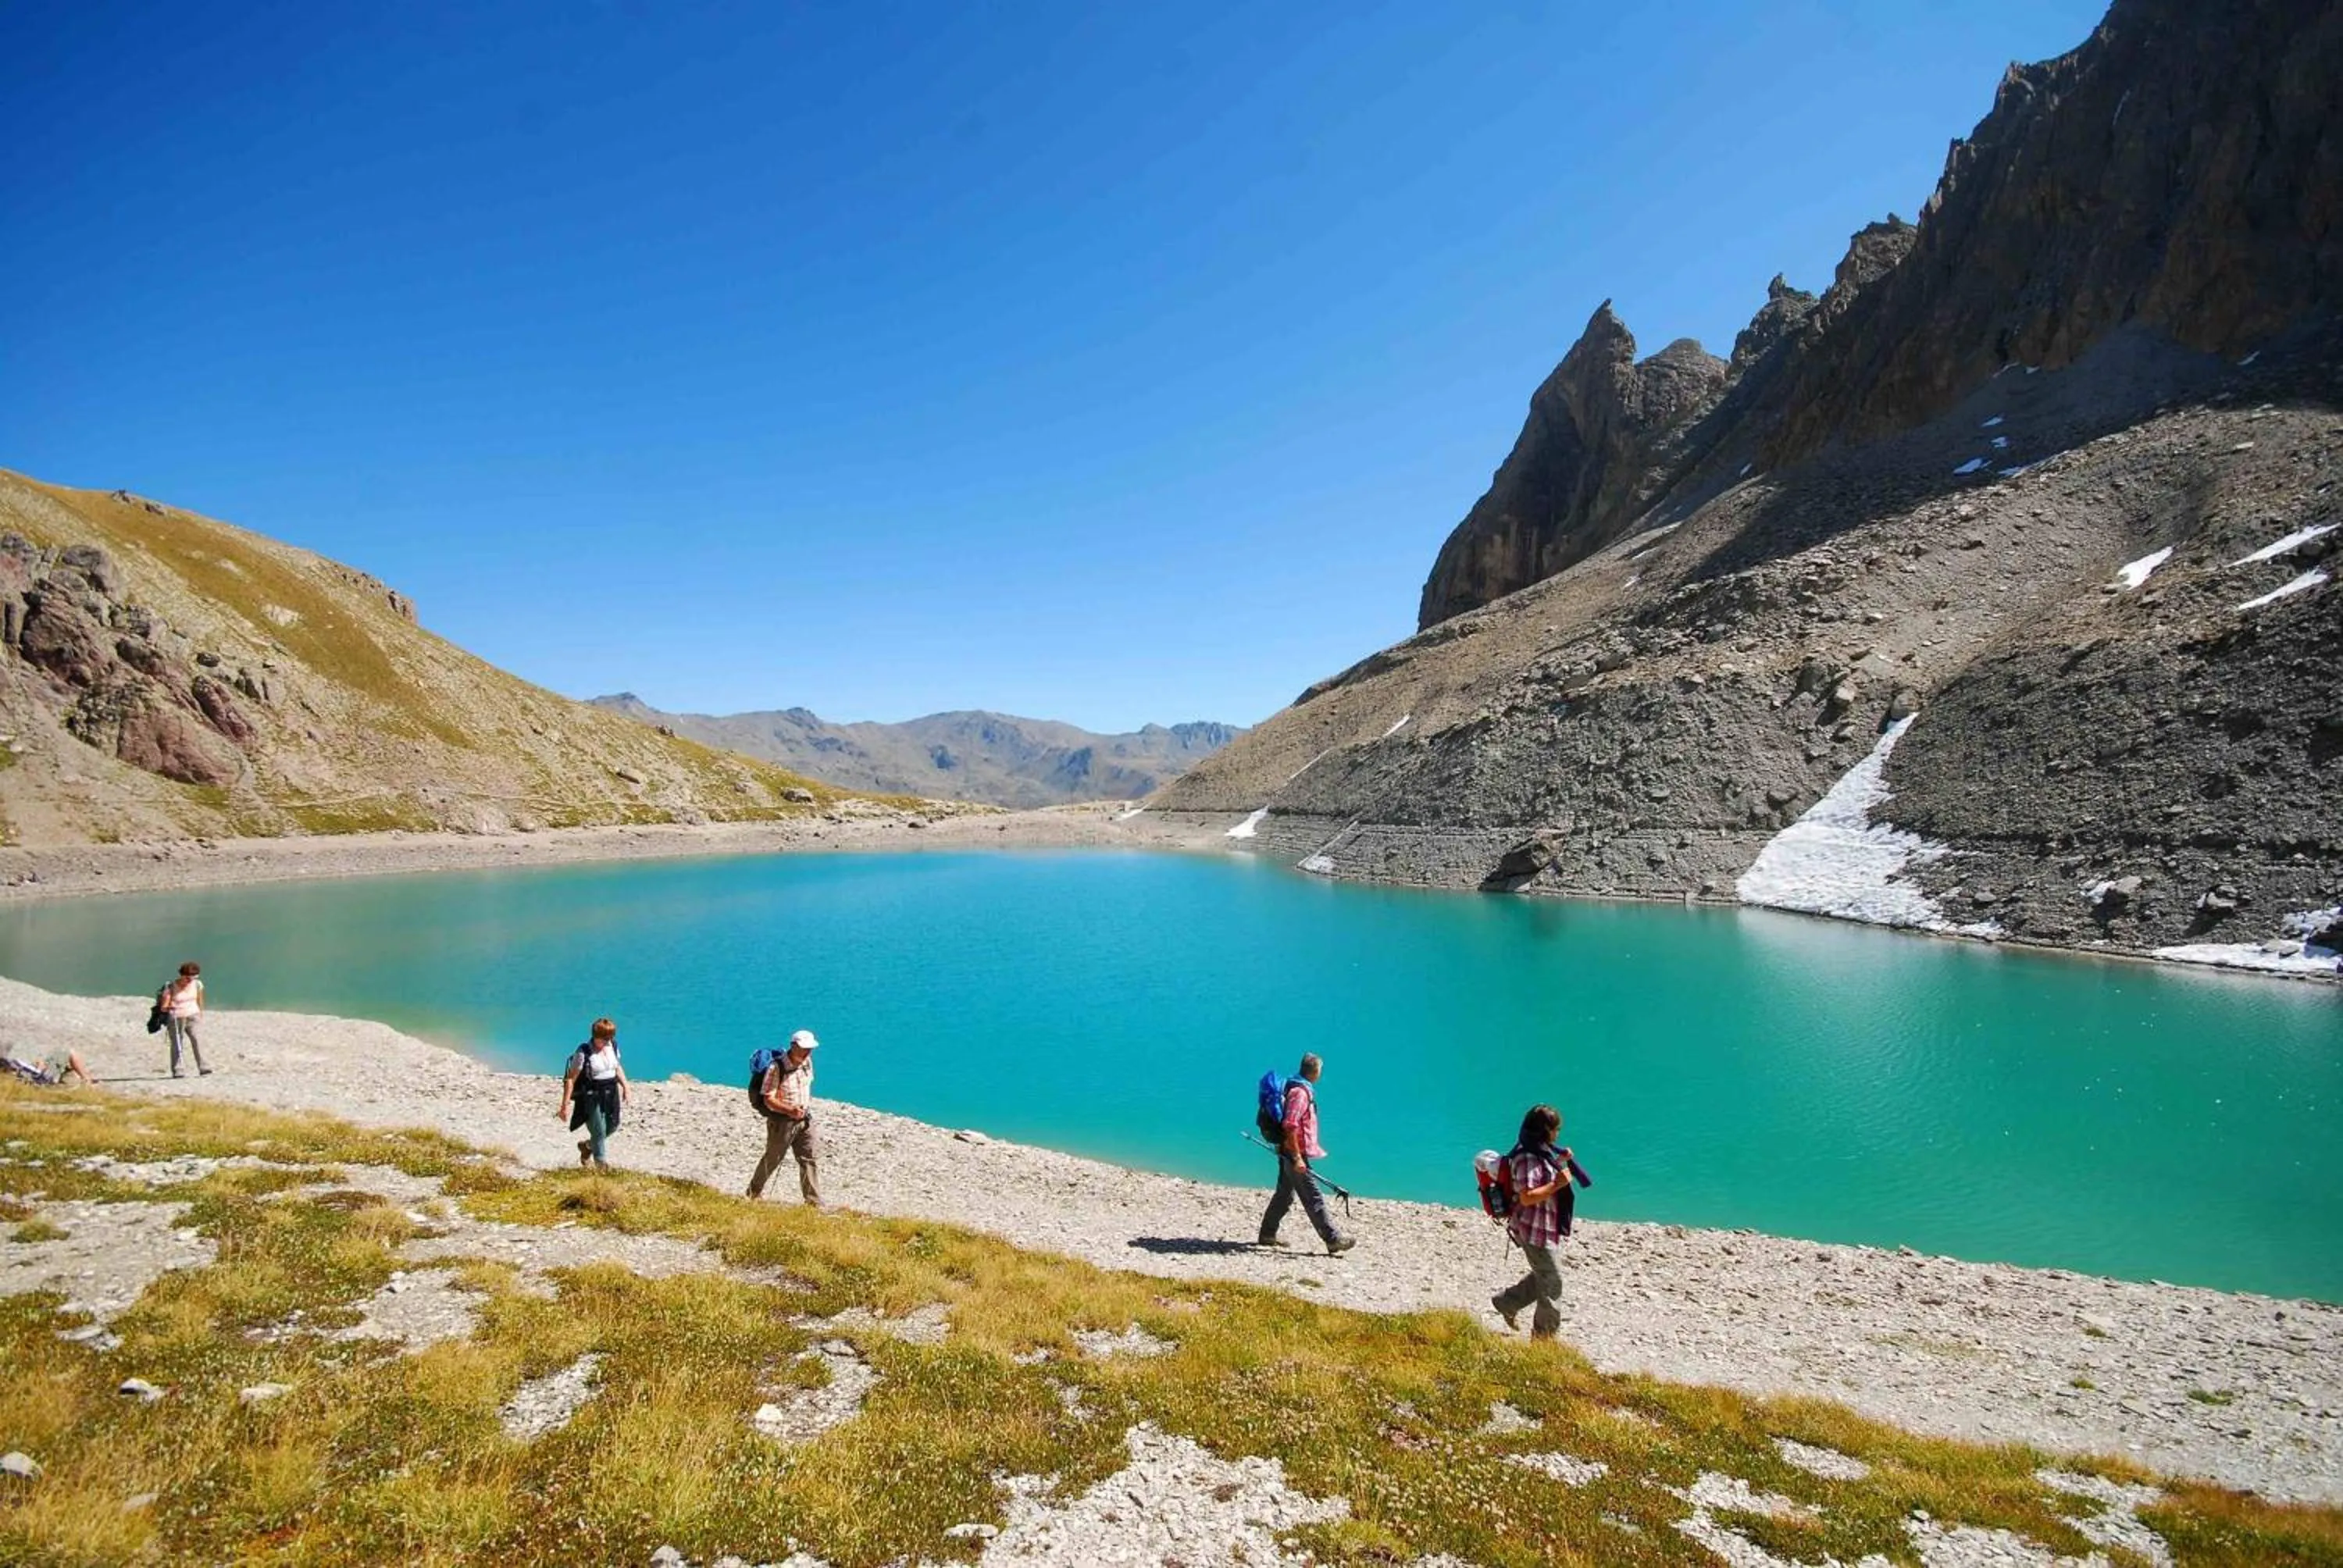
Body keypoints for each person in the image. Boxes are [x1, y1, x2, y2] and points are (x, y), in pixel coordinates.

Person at [1257, 1052, 1353, 1255]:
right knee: (1313, 1196)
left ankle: (1267, 1234)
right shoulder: (1300, 1093)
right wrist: (1297, 1158)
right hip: (1295, 1152)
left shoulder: (1294, 1085)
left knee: (1284, 1195)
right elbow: (1290, 1124)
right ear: (1315, 1072)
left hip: (1288, 1149)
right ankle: (1333, 1239)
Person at [1491, 1104, 1572, 1341]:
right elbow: (1527, 1196)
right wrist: (1557, 1184)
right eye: (1555, 1129)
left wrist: (1560, 1160)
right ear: (1545, 1130)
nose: (1558, 1134)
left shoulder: (1539, 1151)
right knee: (1553, 1282)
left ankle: (1507, 1302)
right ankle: (1543, 1341)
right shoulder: (1527, 1157)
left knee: (1545, 1275)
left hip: (1544, 1226)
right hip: (1533, 1230)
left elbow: (1541, 1176)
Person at [747, 1029, 820, 1206]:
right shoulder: (776, 1068)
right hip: (782, 1122)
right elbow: (769, 1099)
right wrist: (789, 1110)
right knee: (773, 1158)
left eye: (810, 1048)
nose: (808, 1052)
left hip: (804, 1119)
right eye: (804, 1048)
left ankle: (813, 1201)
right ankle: (753, 1192)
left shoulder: (807, 1062)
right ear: (793, 1046)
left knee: (808, 1158)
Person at [556, 1018, 629, 1170]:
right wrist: (565, 1105)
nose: (608, 1041)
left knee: (613, 1126)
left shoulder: (612, 1046)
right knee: (599, 1131)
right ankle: (601, 1165)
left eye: (610, 1037)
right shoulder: (583, 1052)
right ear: (596, 1036)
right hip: (591, 1094)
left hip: (611, 1091)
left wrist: (626, 1087)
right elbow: (571, 1079)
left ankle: (587, 1146)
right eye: (605, 1038)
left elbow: (617, 1068)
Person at [158, 961, 209, 1078]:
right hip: (176, 1017)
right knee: (177, 1043)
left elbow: (199, 999)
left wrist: (200, 1013)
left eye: (193, 977)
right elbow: (164, 1006)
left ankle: (203, 1066)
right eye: (187, 978)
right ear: (182, 975)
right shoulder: (171, 986)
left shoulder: (197, 984)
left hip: (193, 1015)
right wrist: (168, 1005)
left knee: (197, 1040)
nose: (190, 980)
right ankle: (178, 1069)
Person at [2, 1045, 93, 1087]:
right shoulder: (7, 1064)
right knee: (68, 1053)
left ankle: (79, 1080)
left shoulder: (6, 1064)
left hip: (36, 1076)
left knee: (50, 1061)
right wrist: (40, 1068)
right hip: (42, 1078)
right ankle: (88, 1081)